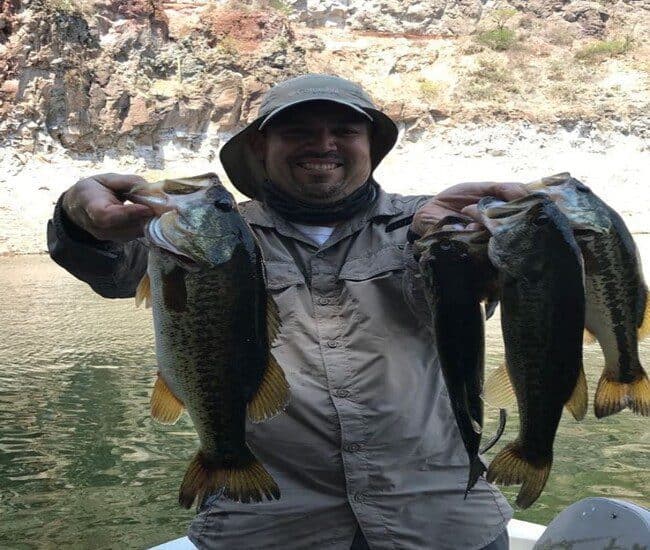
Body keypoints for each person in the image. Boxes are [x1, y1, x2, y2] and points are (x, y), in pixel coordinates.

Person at [47, 74, 528, 550]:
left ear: (371, 145)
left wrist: (487, 240)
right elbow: (108, 268)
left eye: (345, 130)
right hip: (267, 523)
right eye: (298, 131)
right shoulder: (214, 230)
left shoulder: (434, 223)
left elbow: (508, 280)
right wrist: (76, 214)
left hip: (442, 517)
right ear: (261, 147)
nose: (324, 144)